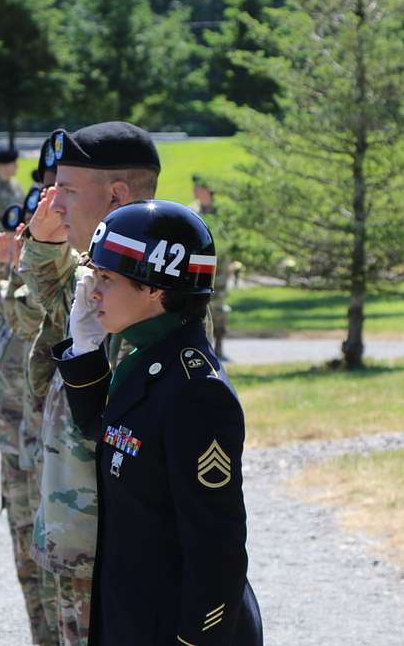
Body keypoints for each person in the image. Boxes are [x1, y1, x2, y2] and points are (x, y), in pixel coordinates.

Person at [54, 200, 262, 646]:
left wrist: (194, 640)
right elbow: (109, 436)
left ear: (155, 288)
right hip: (134, 614)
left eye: (106, 279)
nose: (93, 294)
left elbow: (216, 545)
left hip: (174, 629)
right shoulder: (147, 359)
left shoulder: (194, 390)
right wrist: (86, 349)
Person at [18, 122, 161, 645]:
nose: (56, 206)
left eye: (69, 192)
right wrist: (41, 243)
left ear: (117, 196)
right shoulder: (108, 272)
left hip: (107, 542)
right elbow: (58, 305)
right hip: (77, 532)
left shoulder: (147, 281)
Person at [0, 195, 56, 645]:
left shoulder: (40, 288)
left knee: (53, 563)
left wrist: (27, 262)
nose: (21, 242)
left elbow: (28, 316)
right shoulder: (13, 282)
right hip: (12, 441)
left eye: (28, 235)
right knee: (26, 563)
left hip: (42, 445)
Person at [191, 173, 232, 358]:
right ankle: (202, 345)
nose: (195, 191)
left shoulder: (223, 214)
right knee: (198, 304)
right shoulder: (191, 212)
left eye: (198, 187)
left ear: (207, 190)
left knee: (219, 305)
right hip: (198, 266)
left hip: (221, 265)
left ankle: (220, 344)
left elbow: (231, 238)